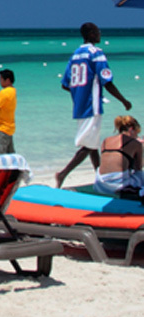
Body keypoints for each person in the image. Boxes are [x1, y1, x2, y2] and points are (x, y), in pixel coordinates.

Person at [55, 23, 133, 188]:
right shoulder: (96, 53)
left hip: (80, 105)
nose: (100, 34)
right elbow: (107, 82)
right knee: (89, 144)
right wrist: (124, 100)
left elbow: (65, 84)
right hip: (92, 105)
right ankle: (62, 174)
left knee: (92, 143)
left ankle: (100, 176)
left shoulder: (75, 54)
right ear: (90, 34)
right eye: (97, 32)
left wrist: (79, 95)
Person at [94, 115, 144, 197]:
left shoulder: (106, 140)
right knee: (140, 174)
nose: (137, 136)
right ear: (131, 130)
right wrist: (142, 148)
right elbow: (138, 167)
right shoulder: (135, 143)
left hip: (100, 185)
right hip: (118, 186)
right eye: (137, 133)